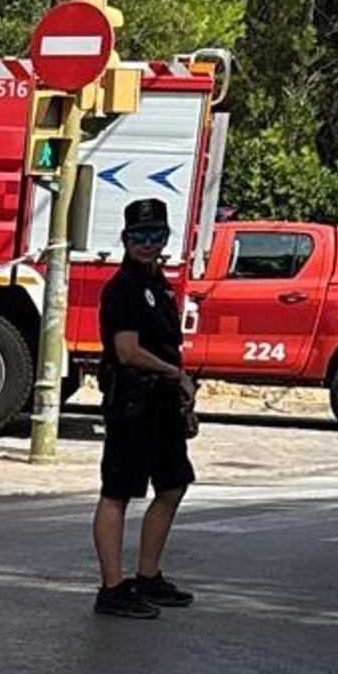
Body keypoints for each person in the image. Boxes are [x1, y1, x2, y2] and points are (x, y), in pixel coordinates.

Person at [92, 198, 199, 619]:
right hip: (131, 402)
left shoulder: (161, 285)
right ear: (125, 239)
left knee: (173, 484)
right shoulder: (124, 288)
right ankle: (112, 587)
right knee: (117, 492)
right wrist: (175, 374)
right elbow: (128, 350)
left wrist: (182, 396)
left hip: (162, 404)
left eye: (157, 235)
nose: (148, 243)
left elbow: (169, 347)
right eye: (140, 236)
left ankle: (148, 575)